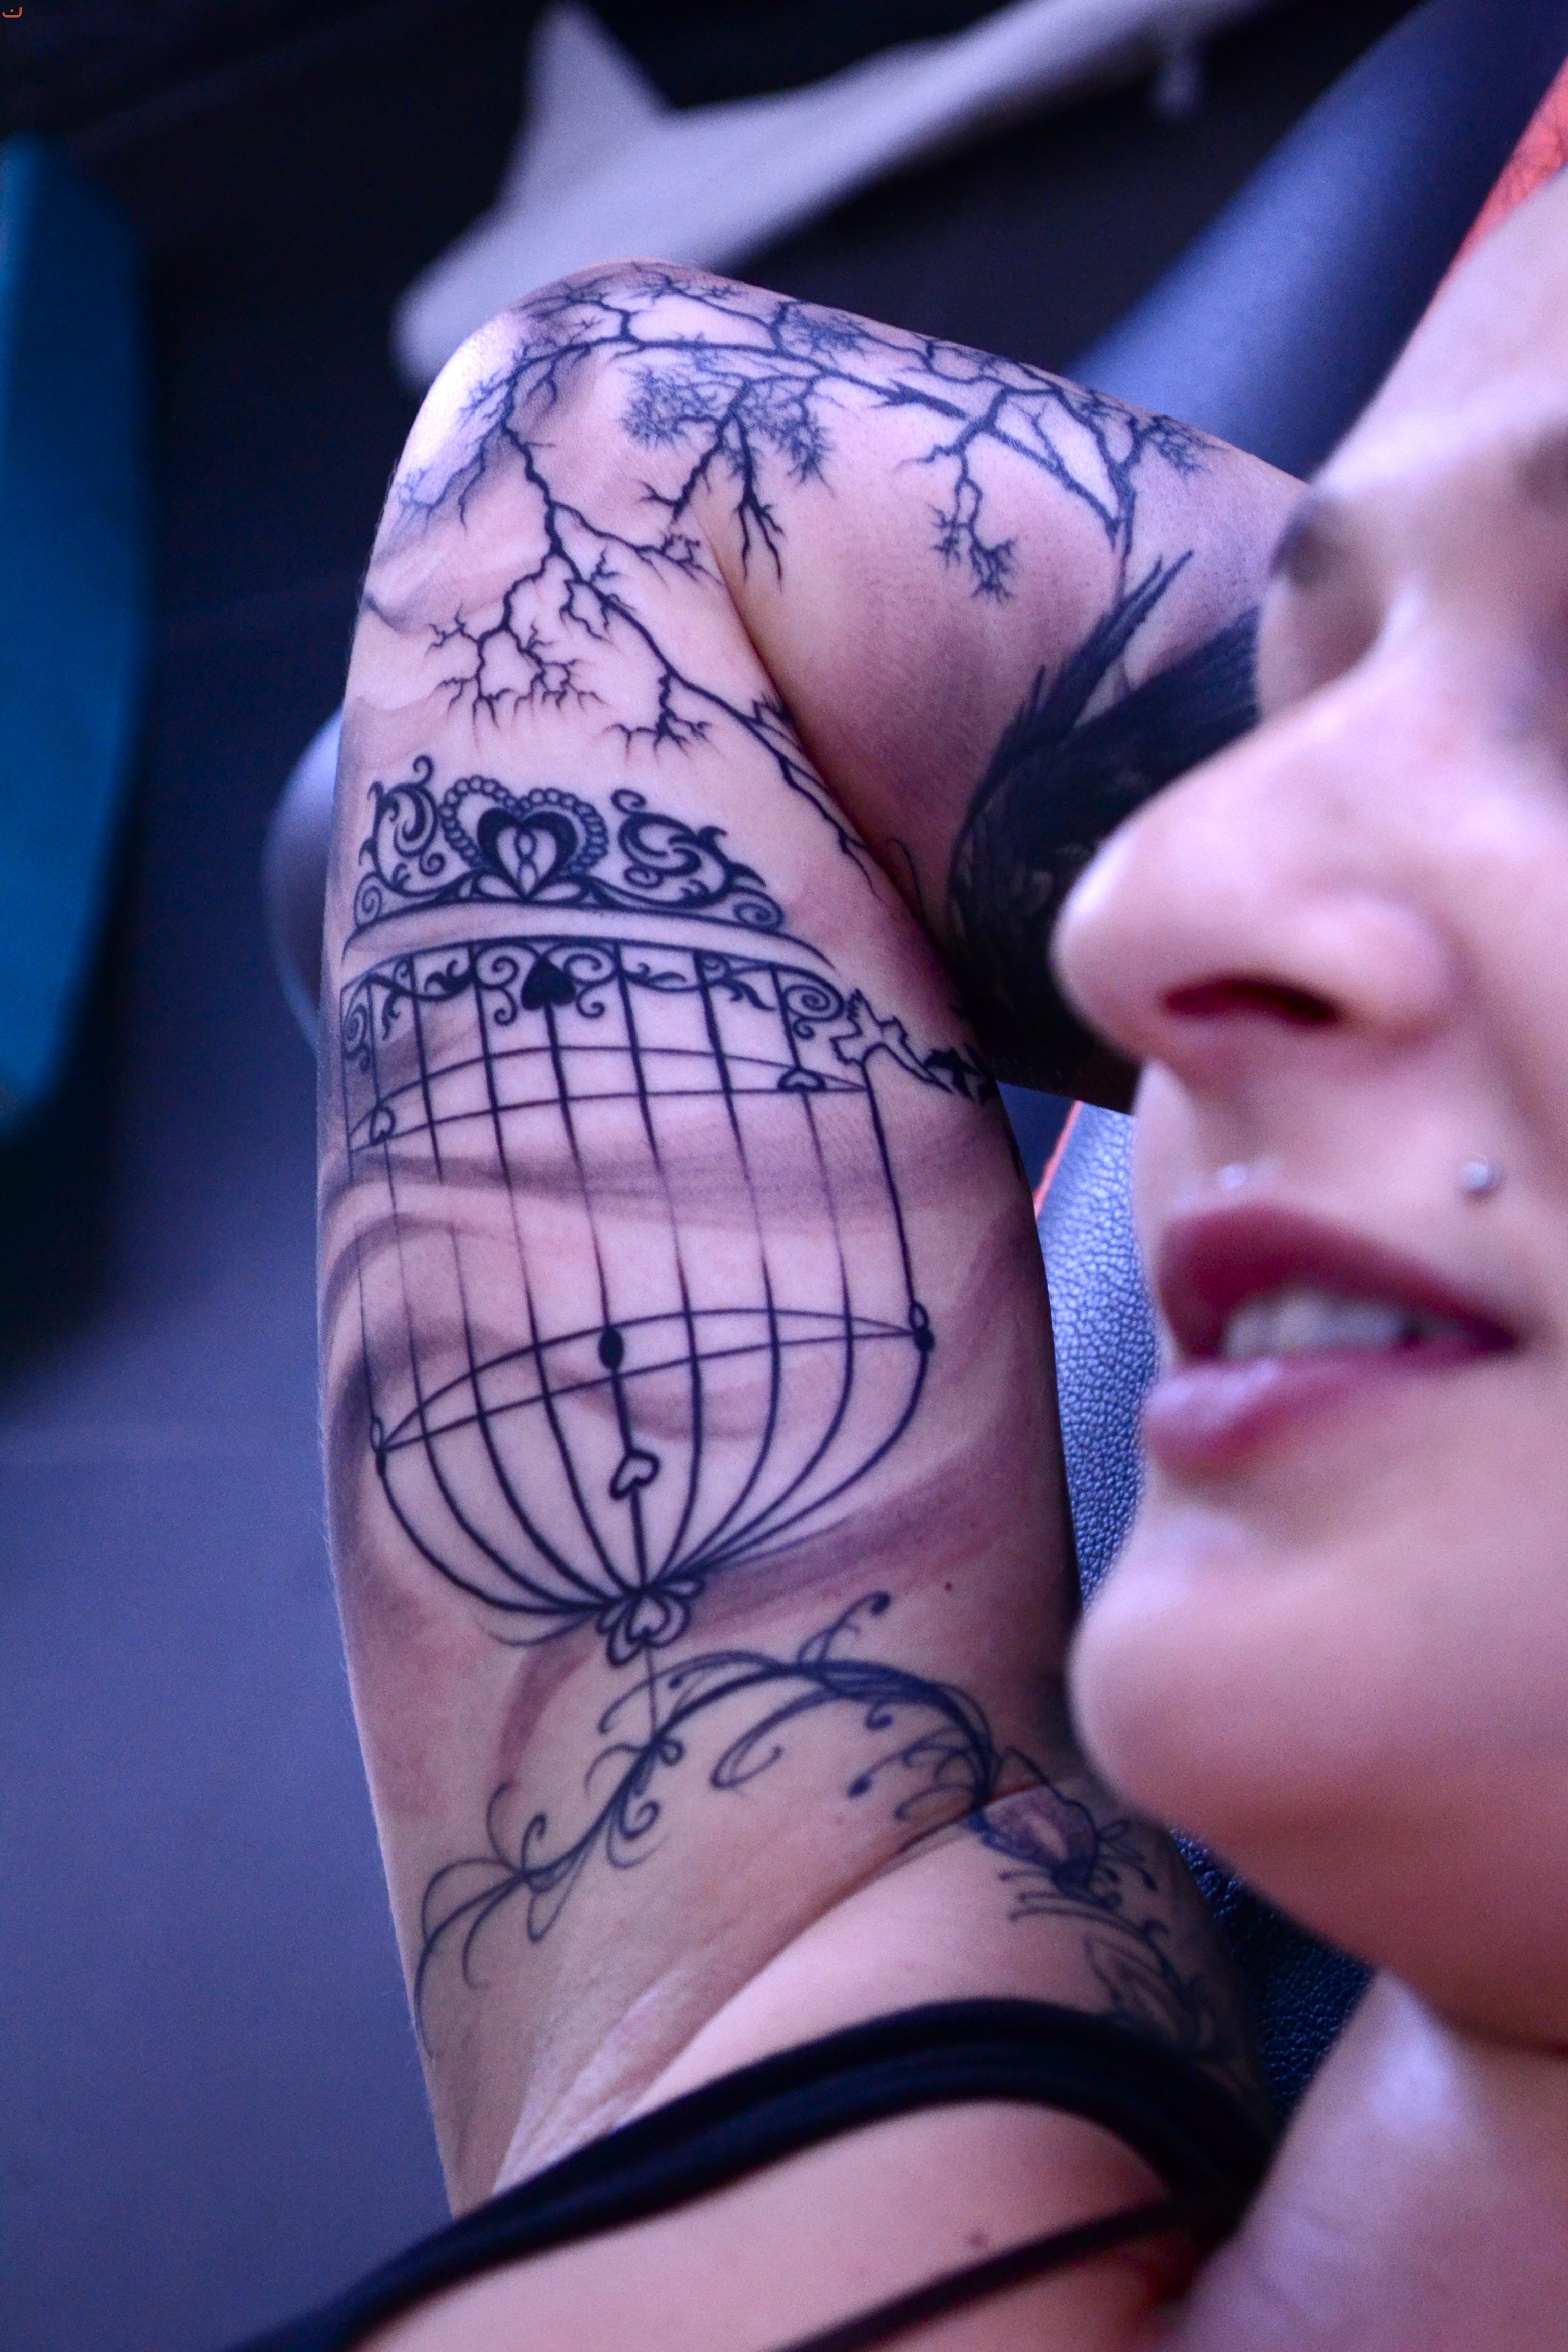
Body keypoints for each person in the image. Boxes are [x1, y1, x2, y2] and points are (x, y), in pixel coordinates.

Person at [249, 149, 1568, 2352]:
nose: (1142, 914)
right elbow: (607, 456)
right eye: (1306, 692)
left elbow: (605, 451)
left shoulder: (833, 2132)